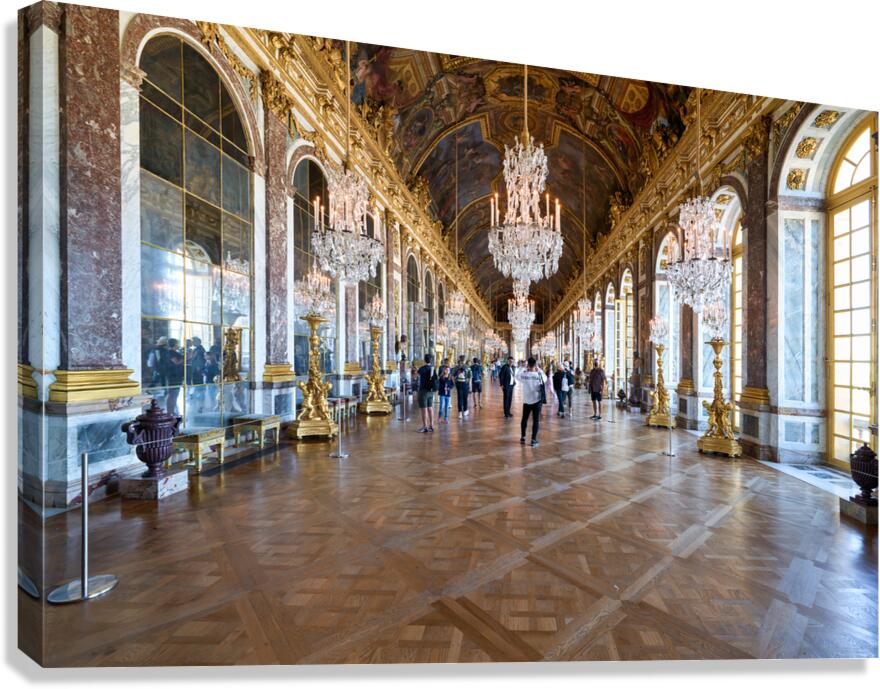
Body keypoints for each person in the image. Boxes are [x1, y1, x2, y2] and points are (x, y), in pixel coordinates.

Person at [516, 356, 546, 447]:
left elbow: (517, 376)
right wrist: (539, 369)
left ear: (528, 365)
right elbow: (545, 378)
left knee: (524, 419)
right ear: (535, 365)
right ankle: (533, 439)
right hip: (536, 400)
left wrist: (523, 367)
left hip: (526, 400)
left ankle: (523, 437)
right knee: (535, 420)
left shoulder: (525, 375)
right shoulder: (539, 375)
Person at [416, 353, 437, 432]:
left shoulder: (422, 368)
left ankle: (425, 427)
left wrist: (415, 370)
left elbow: (415, 376)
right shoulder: (433, 368)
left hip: (423, 391)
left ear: (424, 360)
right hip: (431, 391)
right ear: (431, 360)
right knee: (430, 408)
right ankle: (431, 426)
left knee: (424, 409)